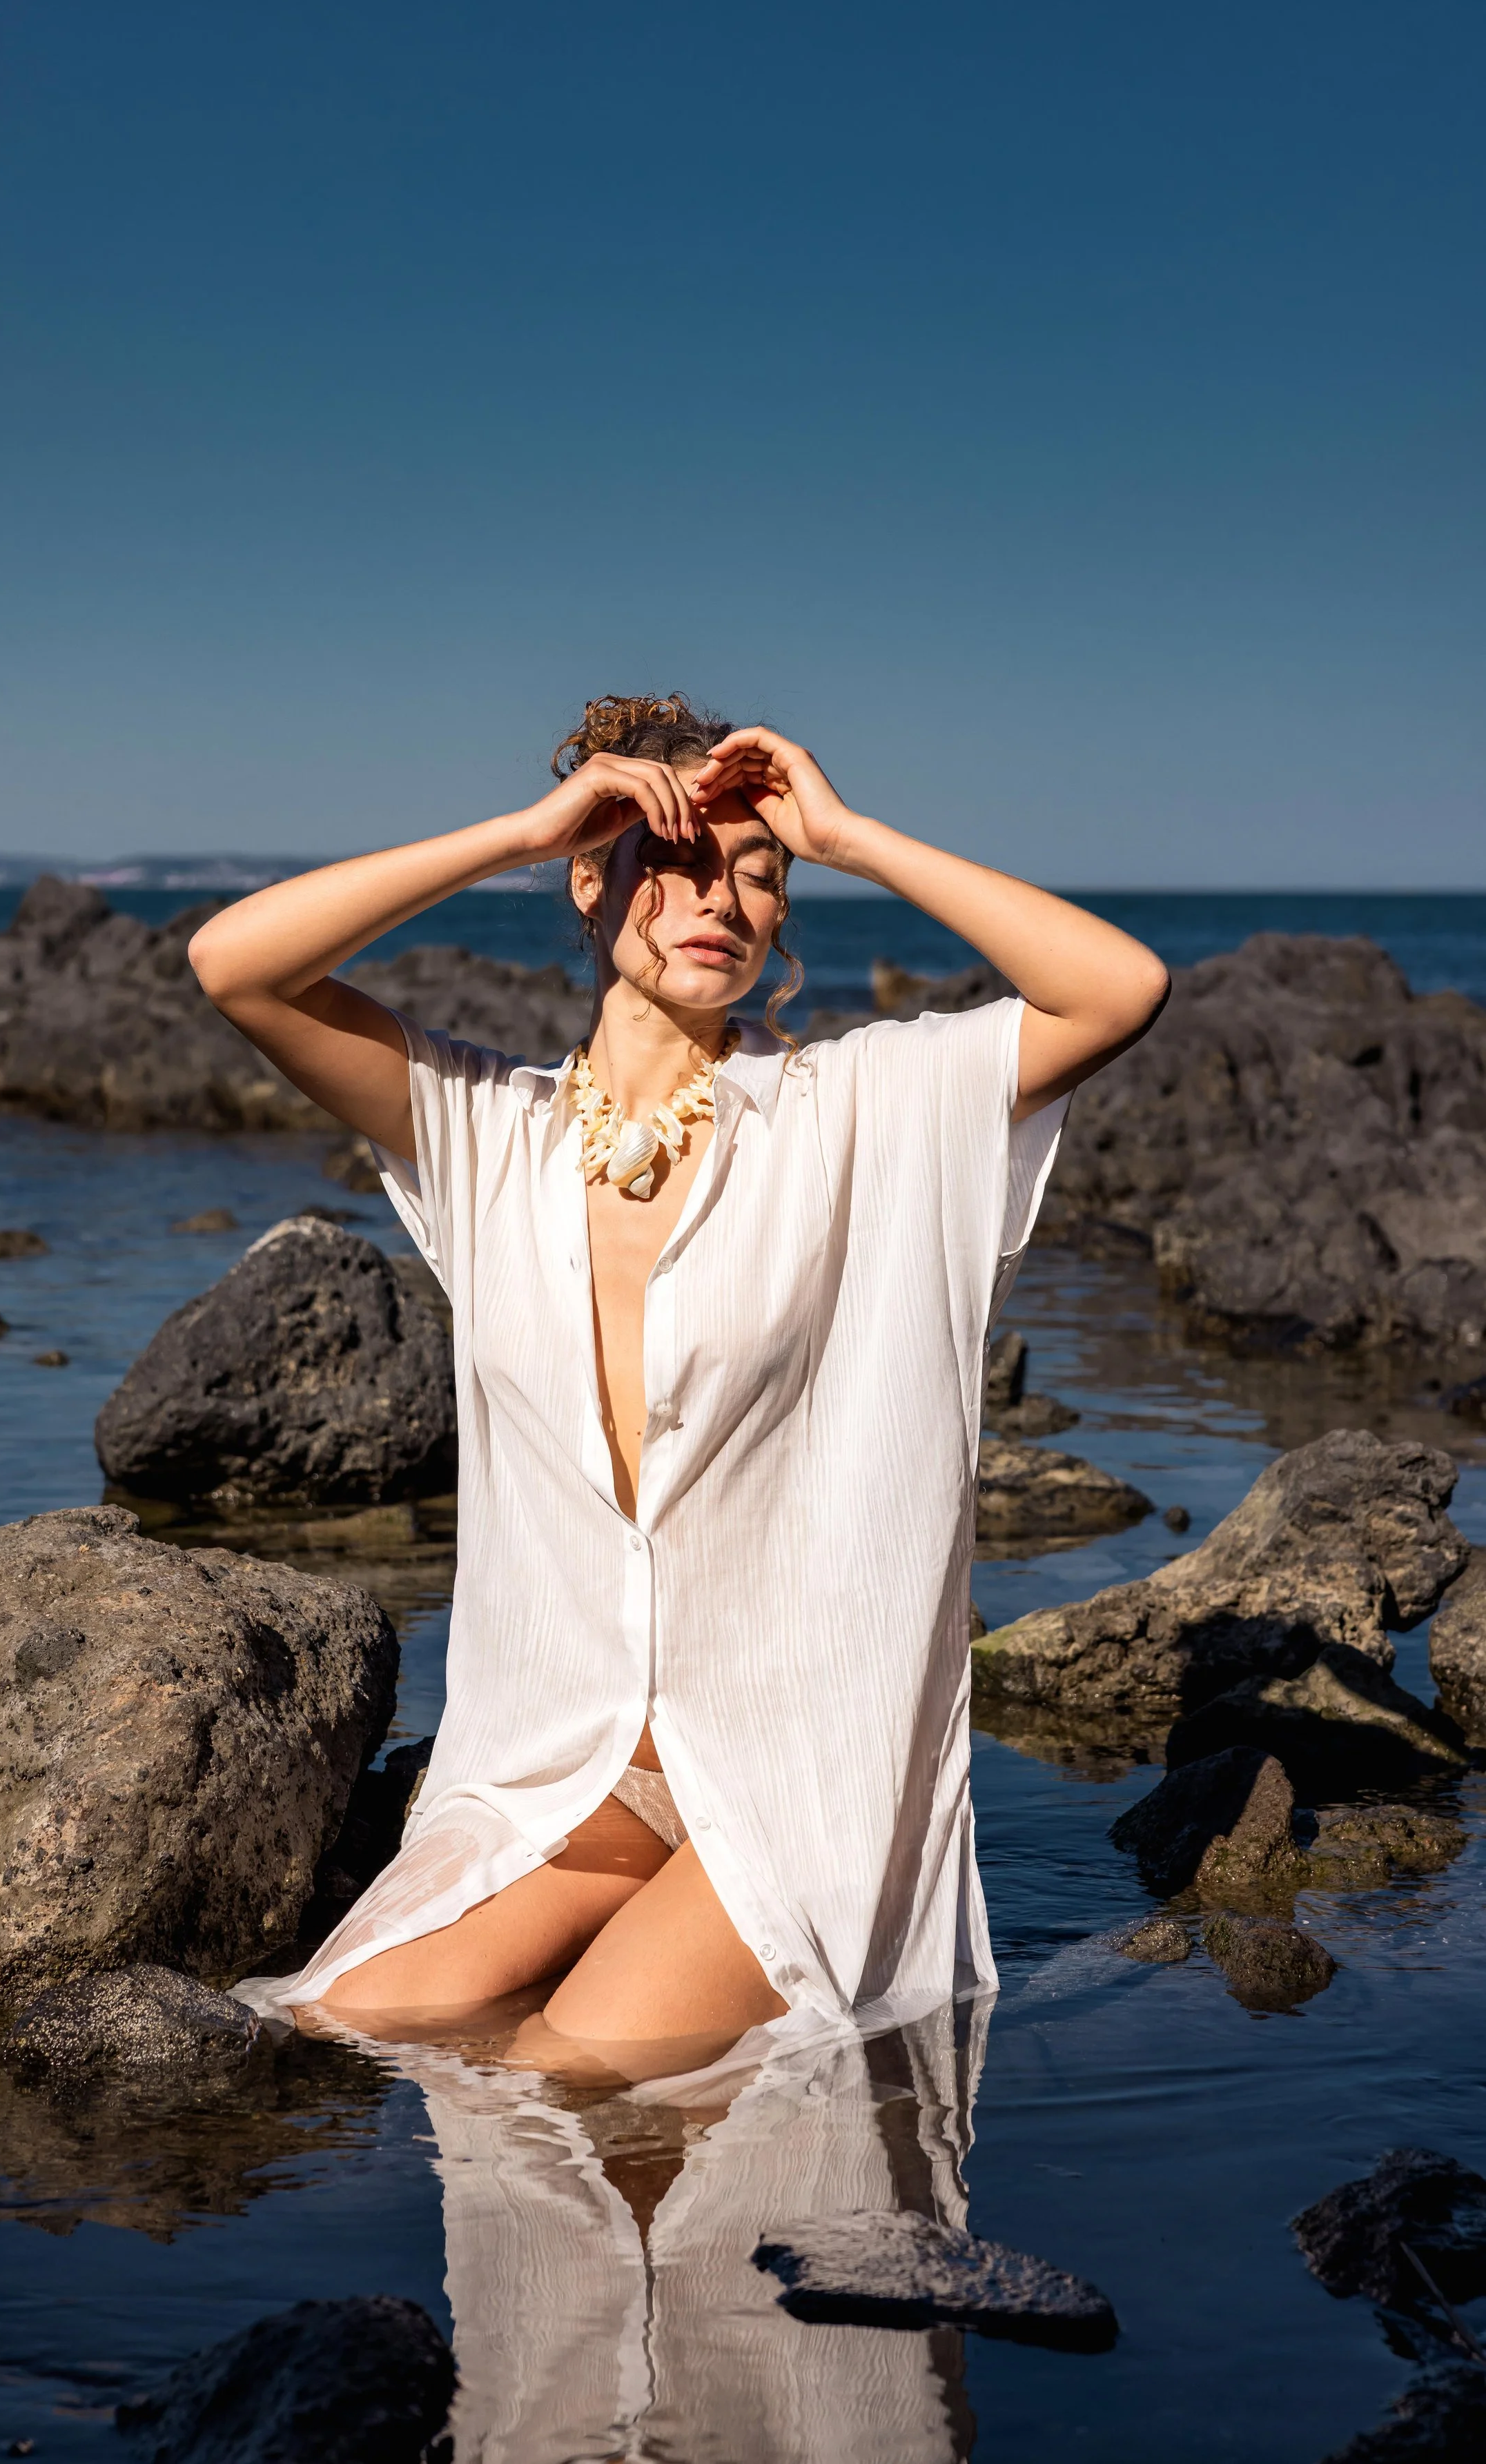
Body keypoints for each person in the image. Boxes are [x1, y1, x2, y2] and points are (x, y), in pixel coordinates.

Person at [194, 696, 1168, 2085]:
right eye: (674, 861)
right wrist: (526, 832)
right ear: (590, 880)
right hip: (562, 1768)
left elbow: (1117, 989)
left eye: (759, 876)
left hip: (791, 1772)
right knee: (346, 2028)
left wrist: (849, 836)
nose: (722, 899)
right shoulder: (487, 1129)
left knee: (565, 2069)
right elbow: (235, 964)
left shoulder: (859, 1107)